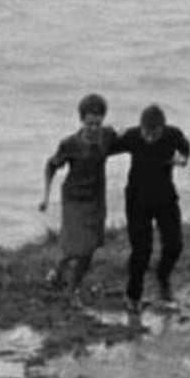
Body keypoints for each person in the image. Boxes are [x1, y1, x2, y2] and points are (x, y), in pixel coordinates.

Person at [114, 104, 190, 316]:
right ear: (140, 128)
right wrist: (113, 133)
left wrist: (182, 159)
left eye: (154, 133)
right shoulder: (132, 136)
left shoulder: (172, 135)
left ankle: (162, 275)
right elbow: (108, 147)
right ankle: (133, 297)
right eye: (146, 132)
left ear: (162, 129)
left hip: (165, 198)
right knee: (141, 251)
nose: (149, 137)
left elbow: (185, 148)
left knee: (174, 244)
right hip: (137, 201)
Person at [39, 93, 119, 299]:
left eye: (98, 123)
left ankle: (72, 288)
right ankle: (57, 270)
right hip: (74, 198)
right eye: (90, 124)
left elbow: (128, 142)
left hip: (96, 197)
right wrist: (46, 196)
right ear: (81, 120)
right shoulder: (69, 144)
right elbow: (51, 166)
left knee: (90, 247)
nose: (94, 129)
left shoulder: (108, 136)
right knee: (75, 246)